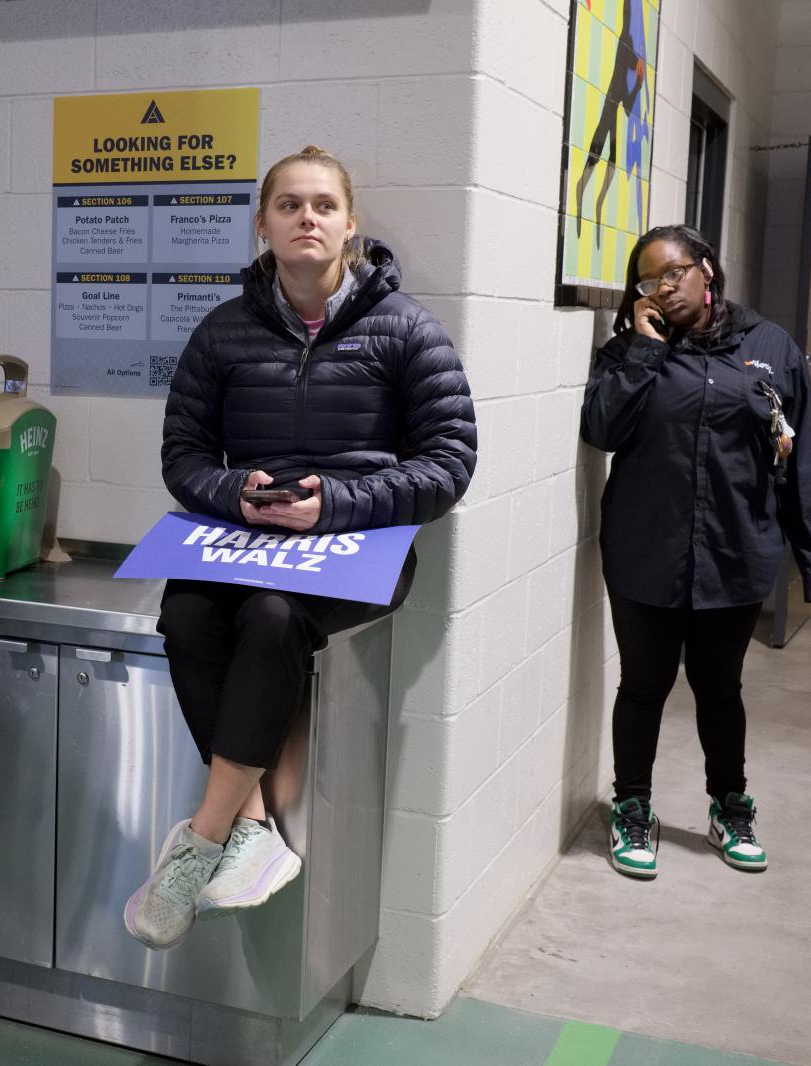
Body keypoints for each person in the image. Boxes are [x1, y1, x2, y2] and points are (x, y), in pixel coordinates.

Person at [123, 146, 478, 950]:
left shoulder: (405, 330)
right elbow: (182, 454)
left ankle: (200, 843)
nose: (306, 217)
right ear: (263, 225)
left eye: (322, 205)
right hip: (245, 540)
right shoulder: (223, 332)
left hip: (359, 550)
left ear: (350, 225)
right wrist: (234, 493)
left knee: (275, 617)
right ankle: (250, 824)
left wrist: (338, 503)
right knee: (186, 614)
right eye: (288, 205)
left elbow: (450, 463)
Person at [580, 223, 811, 880]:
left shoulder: (769, 347)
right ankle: (633, 809)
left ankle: (730, 806)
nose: (662, 288)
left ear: (706, 269)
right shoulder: (630, 352)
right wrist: (642, 350)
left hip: (736, 552)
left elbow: (800, 456)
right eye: (648, 281)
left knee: (719, 687)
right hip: (645, 551)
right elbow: (603, 430)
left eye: (672, 272)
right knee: (643, 685)